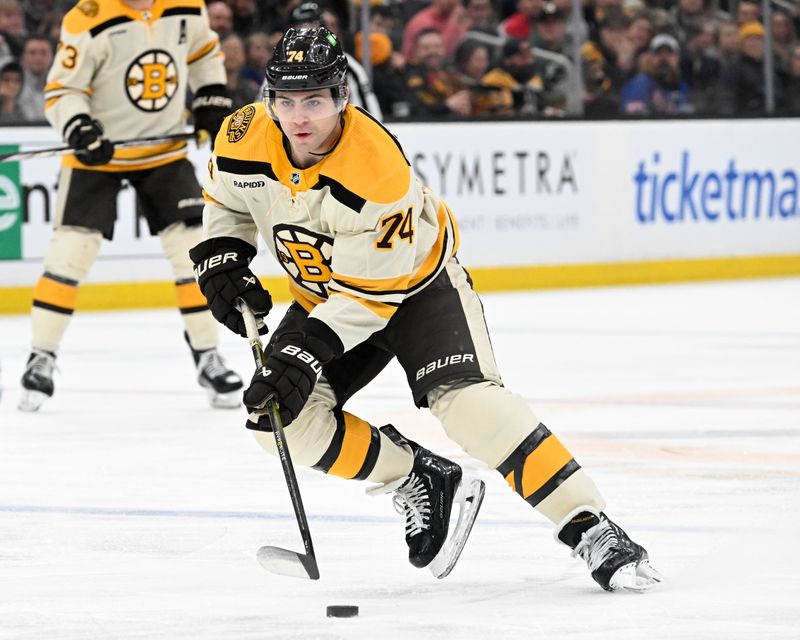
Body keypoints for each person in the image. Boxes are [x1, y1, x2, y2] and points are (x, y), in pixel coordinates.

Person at [190, 26, 664, 591]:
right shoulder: (241, 134)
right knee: (277, 422)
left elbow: (373, 293)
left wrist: (302, 352)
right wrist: (222, 257)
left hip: (415, 291)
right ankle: (419, 476)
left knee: (469, 407)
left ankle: (591, 525)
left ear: (342, 98)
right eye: (286, 101)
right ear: (268, 100)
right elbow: (226, 200)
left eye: (315, 100)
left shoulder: (376, 169)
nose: (300, 117)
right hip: (325, 299)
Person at [19, 0, 243, 411]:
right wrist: (78, 126)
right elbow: (62, 91)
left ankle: (208, 354)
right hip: (98, 155)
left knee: (194, 254)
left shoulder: (187, 7)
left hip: (165, 151)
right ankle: (42, 355)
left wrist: (211, 95)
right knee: (69, 255)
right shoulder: (87, 17)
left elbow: (203, 53)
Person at [257, 2, 383, 119]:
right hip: (292, 131)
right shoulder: (279, 65)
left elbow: (370, 113)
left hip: (337, 135)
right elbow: (262, 108)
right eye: (300, 27)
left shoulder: (344, 63)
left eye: (312, 26)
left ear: (322, 28)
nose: (305, 32)